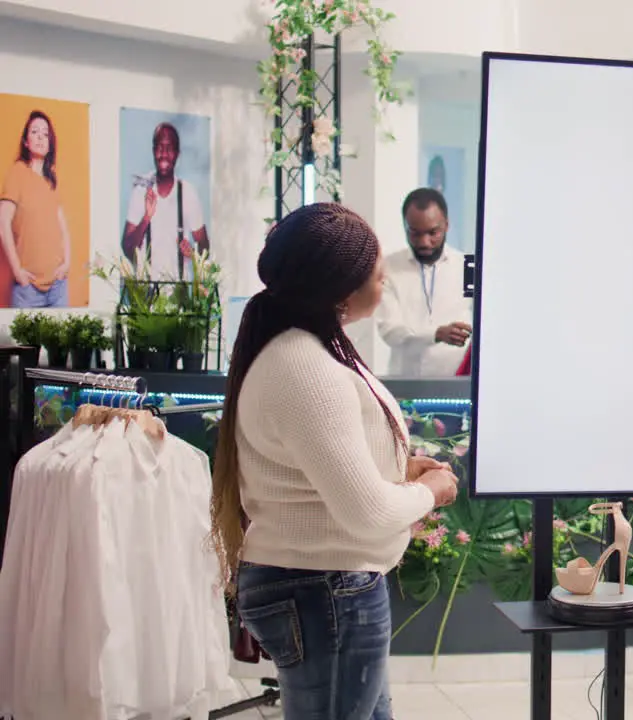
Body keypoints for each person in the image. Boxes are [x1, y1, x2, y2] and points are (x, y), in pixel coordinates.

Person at [208, 203, 460, 718]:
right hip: (326, 589)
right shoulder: (304, 365)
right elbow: (363, 511)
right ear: (340, 290)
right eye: (376, 273)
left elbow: (318, 463)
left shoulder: (304, 350)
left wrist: (398, 467)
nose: (385, 280)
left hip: (327, 586)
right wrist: (431, 492)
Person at [376, 188, 472, 376]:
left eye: (433, 232)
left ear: (447, 225)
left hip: (458, 382)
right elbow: (391, 331)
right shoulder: (387, 268)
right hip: (406, 385)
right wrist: (436, 334)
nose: (424, 242)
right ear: (405, 226)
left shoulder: (468, 266)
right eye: (415, 233)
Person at [0, 110, 72, 308]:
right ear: (25, 141)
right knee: (24, 341)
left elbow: (63, 228)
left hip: (58, 288)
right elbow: (3, 223)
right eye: (34, 132)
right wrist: (18, 273)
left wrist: (66, 264)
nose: (40, 137)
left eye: (45, 134)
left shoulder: (51, 180)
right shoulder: (17, 173)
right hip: (28, 290)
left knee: (63, 340)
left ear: (50, 143)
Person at [121, 122, 210, 280]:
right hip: (145, 297)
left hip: (179, 294)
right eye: (159, 147)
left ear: (177, 153)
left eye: (169, 148)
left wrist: (193, 254)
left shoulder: (188, 193)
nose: (164, 154)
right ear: (154, 151)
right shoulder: (141, 191)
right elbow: (127, 248)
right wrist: (146, 218)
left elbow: (204, 247)